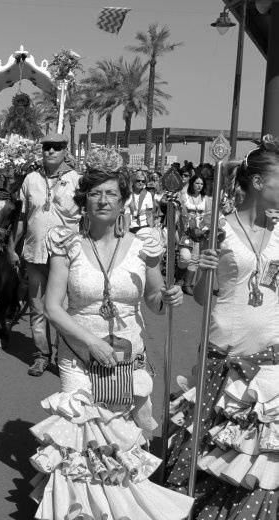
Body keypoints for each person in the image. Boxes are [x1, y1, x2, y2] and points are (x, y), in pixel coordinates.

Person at [34, 147, 193, 519]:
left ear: (124, 201)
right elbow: (53, 307)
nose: (103, 200)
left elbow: (153, 299)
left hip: (127, 361)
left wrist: (168, 295)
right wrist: (89, 343)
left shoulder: (143, 247)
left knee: (120, 444)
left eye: (111, 194)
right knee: (82, 442)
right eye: (95, 193)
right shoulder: (66, 243)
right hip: (79, 358)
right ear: (83, 198)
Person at [163, 136, 279, 519]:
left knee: (258, 459)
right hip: (225, 354)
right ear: (258, 183)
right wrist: (203, 270)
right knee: (213, 452)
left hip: (272, 358)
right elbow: (200, 296)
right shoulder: (219, 229)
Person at [16, 132, 82, 376]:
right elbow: (23, 219)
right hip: (34, 254)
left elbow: (87, 219)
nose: (51, 151)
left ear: (65, 150)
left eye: (56, 147)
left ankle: (65, 358)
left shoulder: (77, 180)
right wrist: (14, 249)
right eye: (47, 147)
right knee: (38, 308)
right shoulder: (30, 179)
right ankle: (42, 355)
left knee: (63, 309)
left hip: (64, 258)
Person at [176, 173, 212, 295]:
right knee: (185, 258)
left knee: (195, 259)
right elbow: (177, 213)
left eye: (201, 184)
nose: (199, 186)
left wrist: (204, 229)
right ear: (192, 183)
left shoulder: (206, 199)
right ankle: (178, 277)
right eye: (197, 183)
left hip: (199, 232)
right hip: (185, 232)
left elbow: (208, 216)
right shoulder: (184, 196)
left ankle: (187, 285)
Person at [126, 167, 158, 232]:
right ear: (134, 181)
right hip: (129, 227)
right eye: (138, 180)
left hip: (143, 227)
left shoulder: (147, 194)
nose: (141, 183)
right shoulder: (127, 194)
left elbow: (149, 214)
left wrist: (151, 230)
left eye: (143, 181)